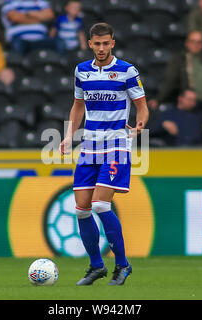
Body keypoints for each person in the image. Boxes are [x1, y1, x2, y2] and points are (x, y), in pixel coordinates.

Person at [59, 23, 149, 286]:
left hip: (116, 144)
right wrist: (68, 135)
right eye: (96, 44)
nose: (101, 48)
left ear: (113, 43)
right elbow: (77, 107)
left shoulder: (127, 71)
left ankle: (122, 265)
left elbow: (142, 107)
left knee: (100, 204)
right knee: (81, 210)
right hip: (89, 145)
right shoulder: (81, 71)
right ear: (89, 44)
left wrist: (141, 124)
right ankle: (97, 266)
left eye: (105, 43)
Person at [148, 31, 202, 140]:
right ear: (187, 43)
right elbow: (170, 81)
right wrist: (159, 99)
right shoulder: (179, 59)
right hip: (192, 104)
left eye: (199, 42)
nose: (196, 45)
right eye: (193, 41)